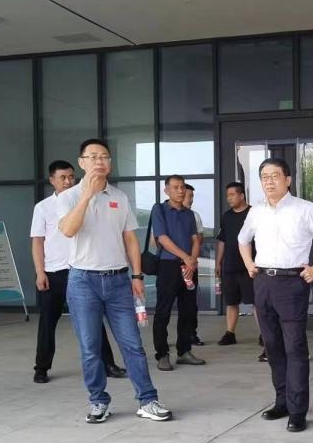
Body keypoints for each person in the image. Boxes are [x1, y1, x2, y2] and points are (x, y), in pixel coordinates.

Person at [56, 139, 171, 424]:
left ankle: (147, 400)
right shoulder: (68, 197)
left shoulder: (119, 197)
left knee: (132, 344)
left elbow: (130, 238)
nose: (99, 161)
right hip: (83, 282)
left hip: (119, 281)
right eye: (93, 156)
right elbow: (68, 230)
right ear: (82, 162)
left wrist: (137, 275)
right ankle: (98, 401)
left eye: (104, 156)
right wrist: (87, 196)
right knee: (90, 347)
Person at [238, 157, 313, 432]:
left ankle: (297, 410)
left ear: (288, 180)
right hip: (263, 282)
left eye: (275, 176)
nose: (269, 181)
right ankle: (281, 401)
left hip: (292, 283)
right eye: (264, 177)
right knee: (272, 346)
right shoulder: (256, 212)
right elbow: (242, 240)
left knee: (295, 347)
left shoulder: (305, 209)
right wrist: (249, 264)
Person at [30, 160, 127, 384]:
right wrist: (40, 272)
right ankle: (41, 368)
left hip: (83, 271)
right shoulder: (43, 207)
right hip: (55, 272)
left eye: (70, 177)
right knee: (47, 322)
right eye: (62, 178)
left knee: (94, 321)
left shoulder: (84, 199)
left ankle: (108, 364)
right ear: (52, 180)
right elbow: (37, 242)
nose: (67, 181)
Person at [150, 176, 205, 371]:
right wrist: (186, 257)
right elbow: (162, 238)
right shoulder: (159, 209)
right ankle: (162, 354)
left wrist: (192, 260)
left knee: (188, 311)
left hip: (189, 267)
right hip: (168, 266)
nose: (180, 191)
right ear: (166, 190)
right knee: (163, 311)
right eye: (175, 187)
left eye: (182, 187)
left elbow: (195, 239)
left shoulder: (189, 214)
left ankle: (184, 351)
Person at [215, 182, 265, 358]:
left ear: (242, 195)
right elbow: (222, 240)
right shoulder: (226, 216)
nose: (229, 198)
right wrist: (218, 262)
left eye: (232, 195)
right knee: (231, 302)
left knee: (256, 302)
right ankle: (230, 333)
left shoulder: (254, 213)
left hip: (249, 267)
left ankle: (264, 334)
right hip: (229, 266)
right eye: (227, 195)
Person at [183, 183, 206, 346]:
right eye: (187, 196)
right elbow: (155, 241)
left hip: (191, 265)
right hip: (172, 265)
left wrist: (191, 257)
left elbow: (200, 239)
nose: (190, 199)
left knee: (191, 302)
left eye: (192, 196)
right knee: (167, 304)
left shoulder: (195, 216)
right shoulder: (165, 214)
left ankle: (191, 333)